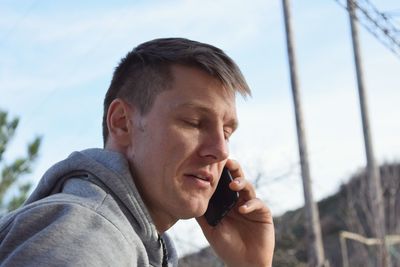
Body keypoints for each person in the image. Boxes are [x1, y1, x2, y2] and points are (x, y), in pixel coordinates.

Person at [0, 38, 274, 267]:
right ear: (122, 123)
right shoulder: (87, 240)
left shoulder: (123, 242)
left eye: (226, 133)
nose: (220, 150)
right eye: (193, 122)